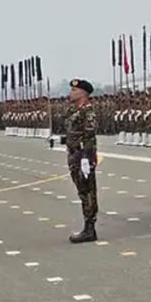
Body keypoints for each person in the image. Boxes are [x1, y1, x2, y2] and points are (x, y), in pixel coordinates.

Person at [64, 79, 99, 243]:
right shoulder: (74, 110)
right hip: (74, 155)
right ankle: (88, 227)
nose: (71, 93)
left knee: (88, 192)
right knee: (82, 191)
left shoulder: (87, 111)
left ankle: (90, 228)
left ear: (83, 93)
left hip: (82, 156)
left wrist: (86, 157)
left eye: (74, 90)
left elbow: (89, 135)